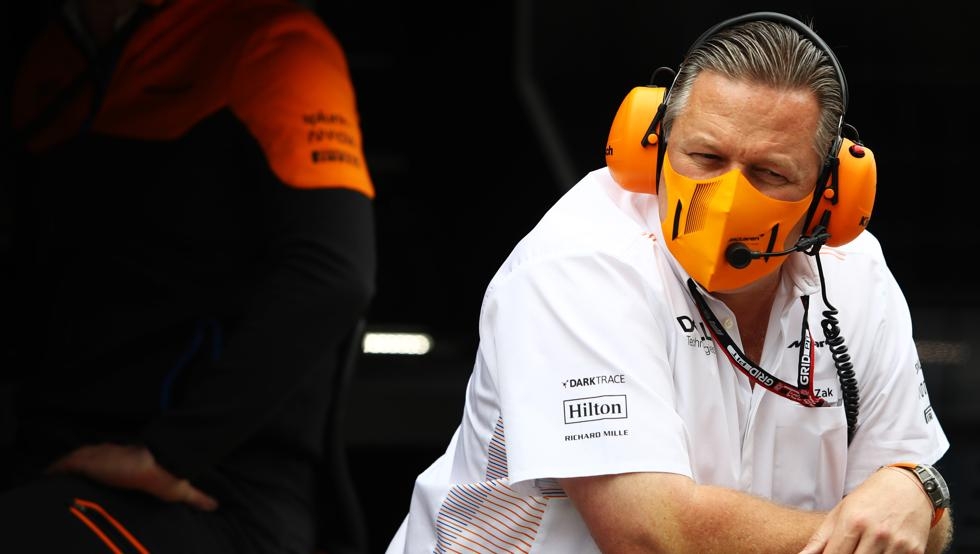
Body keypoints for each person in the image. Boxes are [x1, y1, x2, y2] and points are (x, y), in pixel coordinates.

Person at [385, 11, 953, 554]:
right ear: (650, 148)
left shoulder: (856, 272)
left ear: (832, 195)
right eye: (705, 156)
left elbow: (925, 518)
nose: (727, 200)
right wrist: (875, 530)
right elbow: (652, 536)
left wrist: (916, 491)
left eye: (770, 173)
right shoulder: (577, 261)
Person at [1, 0, 375, 552]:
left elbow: (335, 273)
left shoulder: (273, 39)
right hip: (53, 457)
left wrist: (170, 453)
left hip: (207, 489)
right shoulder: (49, 54)